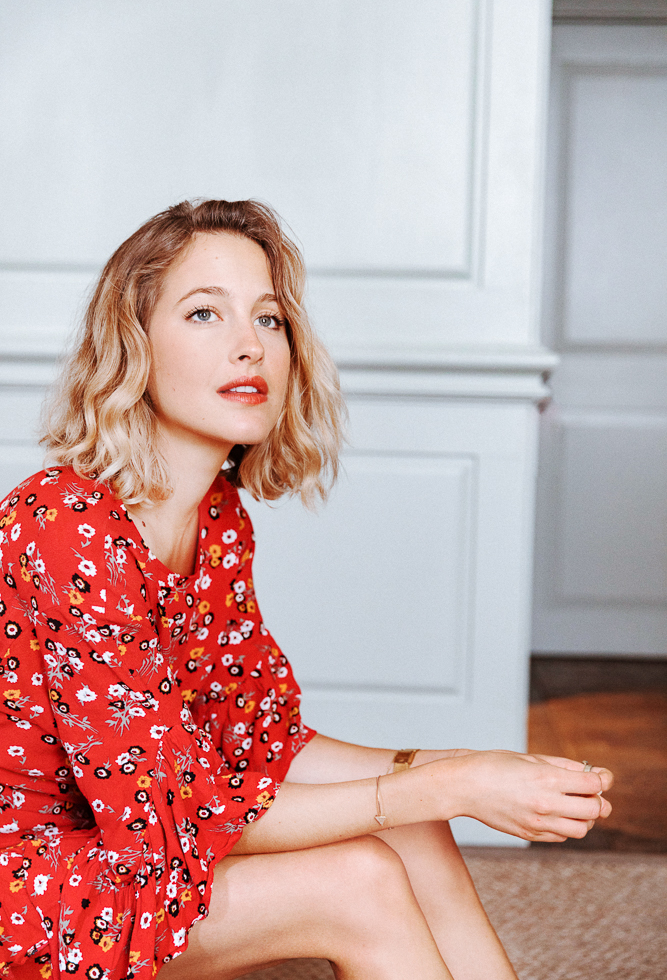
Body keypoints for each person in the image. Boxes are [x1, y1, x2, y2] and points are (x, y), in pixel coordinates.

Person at [0, 199, 612, 980]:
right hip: (28, 877)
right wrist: (450, 784)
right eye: (203, 313)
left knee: (413, 827)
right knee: (357, 881)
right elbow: (177, 817)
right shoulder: (64, 527)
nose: (248, 346)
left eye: (269, 318)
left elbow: (262, 743)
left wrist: (461, 765)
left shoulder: (216, 519)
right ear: (133, 344)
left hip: (118, 858)